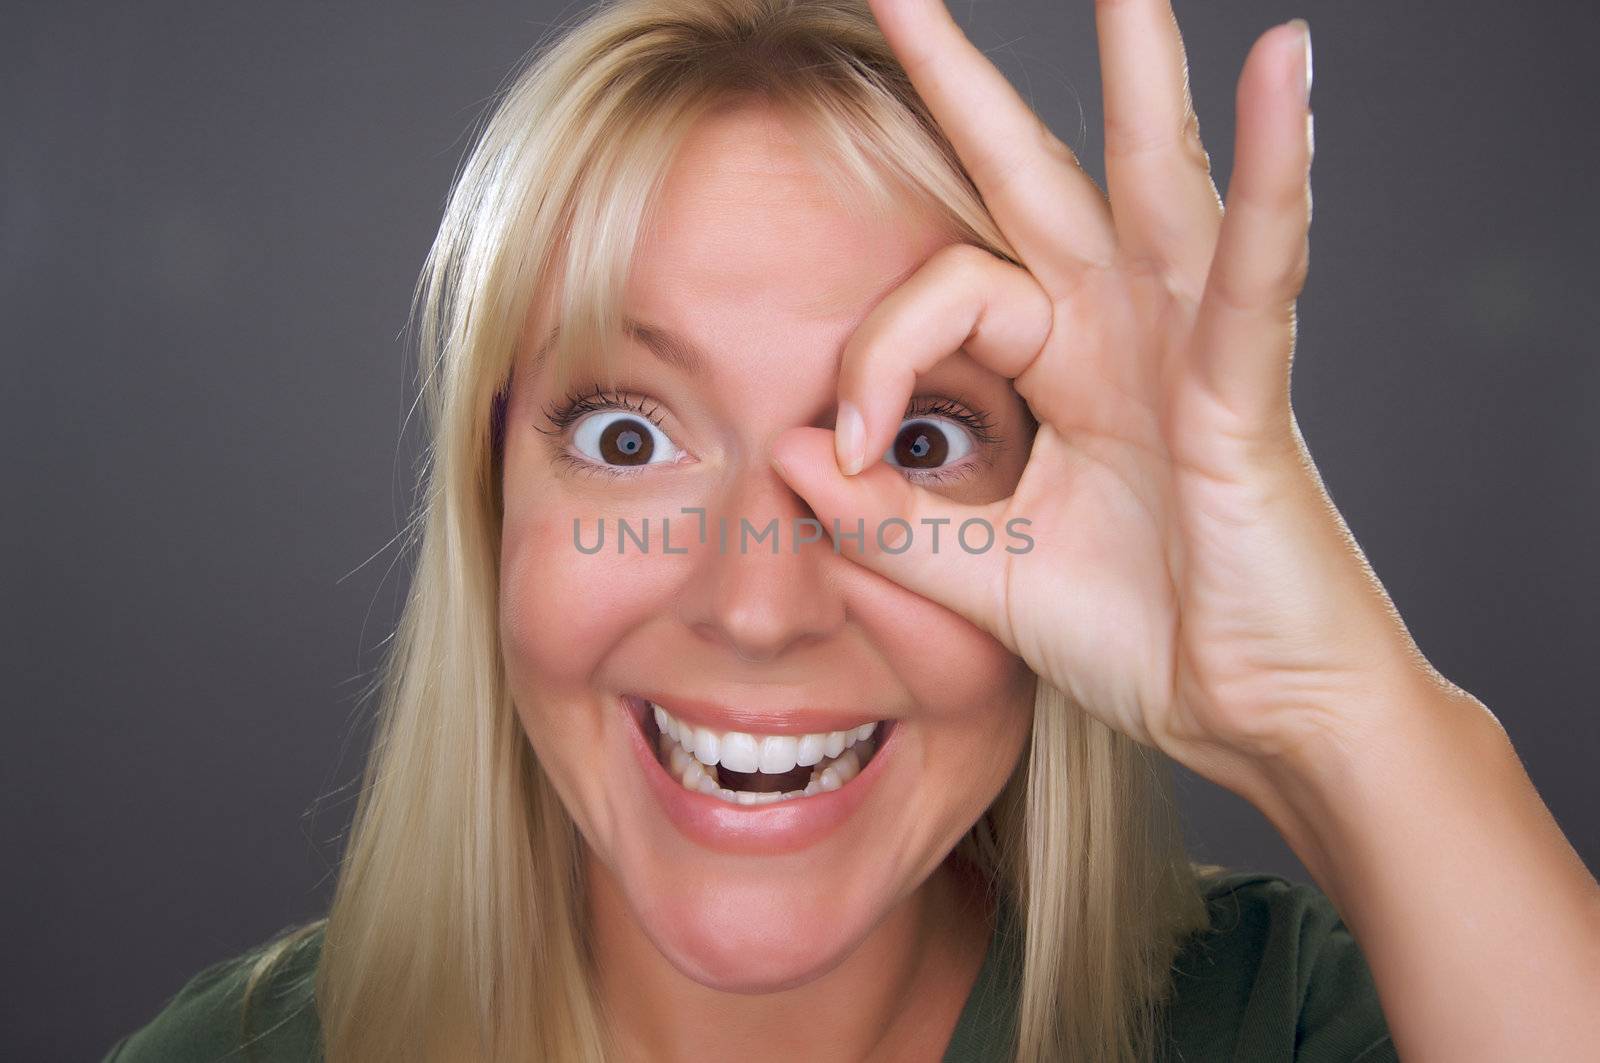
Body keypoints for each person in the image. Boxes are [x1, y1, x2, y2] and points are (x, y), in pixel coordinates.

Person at [102, 0, 1600, 1060]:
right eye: (628, 438)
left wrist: (1338, 709)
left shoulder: (1286, 1023)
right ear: (495, 514)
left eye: (920, 441)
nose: (761, 608)